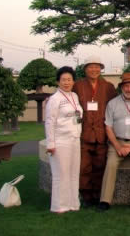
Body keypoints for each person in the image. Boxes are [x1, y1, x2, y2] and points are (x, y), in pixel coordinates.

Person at [97, 72, 130, 211]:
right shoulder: (112, 103)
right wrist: (117, 146)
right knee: (111, 164)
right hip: (117, 142)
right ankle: (105, 200)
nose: (129, 89)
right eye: (126, 86)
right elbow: (108, 126)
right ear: (122, 87)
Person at [73, 56, 117, 207]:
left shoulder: (108, 87)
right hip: (84, 133)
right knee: (84, 166)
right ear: (85, 69)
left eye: (97, 67)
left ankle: (97, 194)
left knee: (100, 166)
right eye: (90, 67)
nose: (94, 70)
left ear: (101, 69)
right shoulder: (77, 86)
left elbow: (114, 108)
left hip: (101, 133)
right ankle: (86, 195)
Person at [45, 66, 83, 213]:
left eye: (69, 79)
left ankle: (73, 204)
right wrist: (50, 143)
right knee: (61, 174)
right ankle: (59, 206)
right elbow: (49, 121)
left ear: (73, 81)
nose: (66, 82)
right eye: (63, 80)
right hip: (61, 140)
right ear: (58, 82)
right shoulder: (54, 99)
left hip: (75, 139)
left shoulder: (74, 96)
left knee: (73, 173)